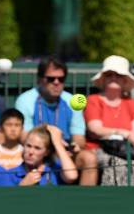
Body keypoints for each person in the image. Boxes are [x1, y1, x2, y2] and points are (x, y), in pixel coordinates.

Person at [15, 56, 98, 186]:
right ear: (40, 79)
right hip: (39, 153)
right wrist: (51, 135)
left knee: (89, 158)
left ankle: (86, 203)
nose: (56, 82)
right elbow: (25, 137)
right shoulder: (25, 100)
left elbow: (79, 138)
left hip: (65, 154)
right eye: (51, 79)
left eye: (61, 79)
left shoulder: (72, 100)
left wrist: (74, 145)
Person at [84, 55, 134, 186]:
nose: (113, 78)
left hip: (129, 150)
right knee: (116, 163)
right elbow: (95, 129)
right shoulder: (93, 100)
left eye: (118, 75)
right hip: (100, 149)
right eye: (109, 74)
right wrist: (124, 133)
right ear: (103, 79)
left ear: (125, 80)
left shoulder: (132, 104)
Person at [8, 125, 78, 186]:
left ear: (46, 152)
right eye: (28, 146)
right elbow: (6, 200)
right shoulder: (11, 174)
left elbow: (71, 176)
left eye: (37, 148)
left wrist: (57, 143)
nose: (31, 152)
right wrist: (22, 185)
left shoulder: (54, 170)